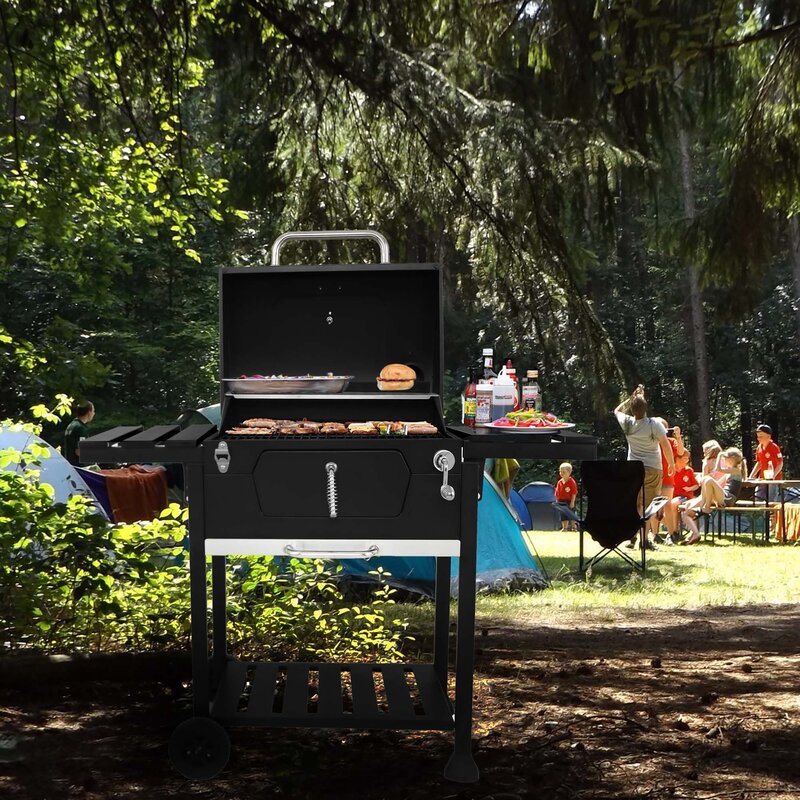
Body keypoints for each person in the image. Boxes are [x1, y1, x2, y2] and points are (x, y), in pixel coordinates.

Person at [614, 385, 674, 549]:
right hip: (653, 469)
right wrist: (671, 464)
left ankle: (633, 537)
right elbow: (665, 445)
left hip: (633, 469)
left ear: (632, 409)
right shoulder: (655, 424)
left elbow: (617, 410)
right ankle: (644, 540)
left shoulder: (627, 423)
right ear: (646, 407)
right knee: (649, 506)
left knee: (636, 505)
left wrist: (630, 399)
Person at [682, 447, 746, 544]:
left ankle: (706, 507)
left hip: (728, 498)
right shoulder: (729, 473)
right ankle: (695, 530)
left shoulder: (736, 470)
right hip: (722, 496)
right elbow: (717, 483)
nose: (724, 460)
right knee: (705, 482)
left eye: (725, 458)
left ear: (732, 459)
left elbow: (718, 469)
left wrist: (720, 455)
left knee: (707, 479)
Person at [652, 418, 686, 543]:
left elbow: (681, 452)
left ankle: (671, 534)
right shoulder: (650, 441)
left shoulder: (670, 441)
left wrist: (678, 437)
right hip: (653, 477)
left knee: (668, 505)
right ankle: (655, 534)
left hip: (667, 477)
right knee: (653, 506)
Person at [748, 424, 784, 501]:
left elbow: (780, 463)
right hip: (762, 478)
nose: (758, 439)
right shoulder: (759, 448)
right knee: (758, 498)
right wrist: (751, 476)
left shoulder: (774, 447)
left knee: (771, 500)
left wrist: (773, 476)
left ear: (768, 436)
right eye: (758, 436)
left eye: (761, 436)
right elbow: (759, 463)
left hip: (773, 479)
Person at [63, 401, 95, 466]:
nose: (94, 413)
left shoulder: (71, 425)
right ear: (89, 412)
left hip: (71, 466)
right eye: (93, 411)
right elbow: (79, 451)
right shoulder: (81, 428)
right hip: (79, 468)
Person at [554, 462, 578, 531]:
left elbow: (574, 493)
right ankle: (564, 528)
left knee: (571, 514)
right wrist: (557, 501)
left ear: (569, 472)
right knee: (563, 515)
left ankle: (574, 527)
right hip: (561, 501)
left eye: (563, 472)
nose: (561, 473)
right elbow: (557, 493)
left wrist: (572, 502)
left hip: (569, 500)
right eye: (560, 471)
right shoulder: (559, 482)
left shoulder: (572, 482)